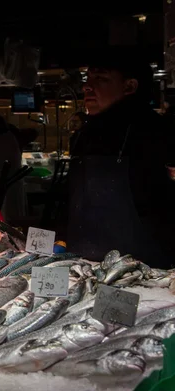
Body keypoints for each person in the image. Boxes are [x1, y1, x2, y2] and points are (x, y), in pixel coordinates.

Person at [67, 48, 174, 267]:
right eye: (88, 78)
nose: (87, 86)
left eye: (101, 78)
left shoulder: (157, 131)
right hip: (84, 263)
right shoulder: (83, 135)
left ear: (130, 86)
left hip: (147, 267)